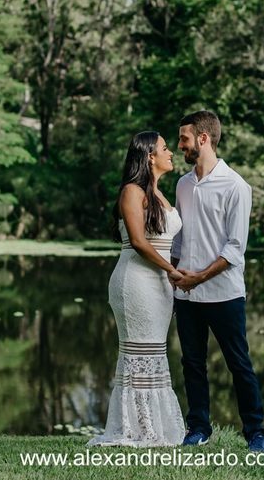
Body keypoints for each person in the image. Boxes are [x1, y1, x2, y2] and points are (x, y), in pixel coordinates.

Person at [169, 110, 264, 452]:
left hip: (224, 294)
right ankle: (198, 427)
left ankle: (255, 432)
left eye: (183, 138)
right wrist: (175, 274)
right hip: (187, 296)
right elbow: (179, 241)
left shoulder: (236, 186)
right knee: (192, 364)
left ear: (203, 138)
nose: (178, 145)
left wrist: (199, 277)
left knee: (238, 363)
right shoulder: (182, 184)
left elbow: (235, 248)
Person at [87, 131, 187, 447]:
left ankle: (151, 426)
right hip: (136, 283)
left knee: (155, 350)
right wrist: (172, 270)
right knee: (138, 351)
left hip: (159, 284)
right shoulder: (132, 191)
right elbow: (140, 242)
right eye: (165, 148)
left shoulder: (159, 193)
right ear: (148, 156)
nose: (170, 152)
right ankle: (135, 427)